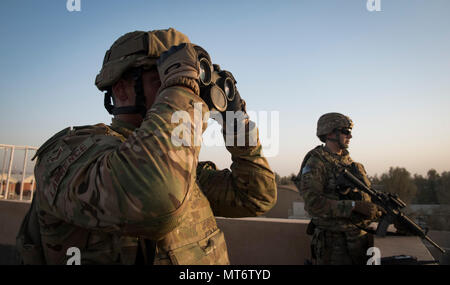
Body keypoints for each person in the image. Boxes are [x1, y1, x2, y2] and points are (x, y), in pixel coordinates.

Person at [17, 28, 276, 265]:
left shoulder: (183, 170)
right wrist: (182, 85)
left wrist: (236, 123)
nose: (189, 92)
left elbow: (256, 196)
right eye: (162, 80)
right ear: (122, 91)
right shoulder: (70, 154)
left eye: (189, 82)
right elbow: (156, 199)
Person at [293, 112, 381, 265]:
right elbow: (313, 205)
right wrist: (354, 207)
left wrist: (380, 209)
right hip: (334, 246)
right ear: (329, 133)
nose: (350, 136)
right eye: (345, 132)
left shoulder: (350, 163)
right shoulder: (316, 163)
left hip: (359, 242)